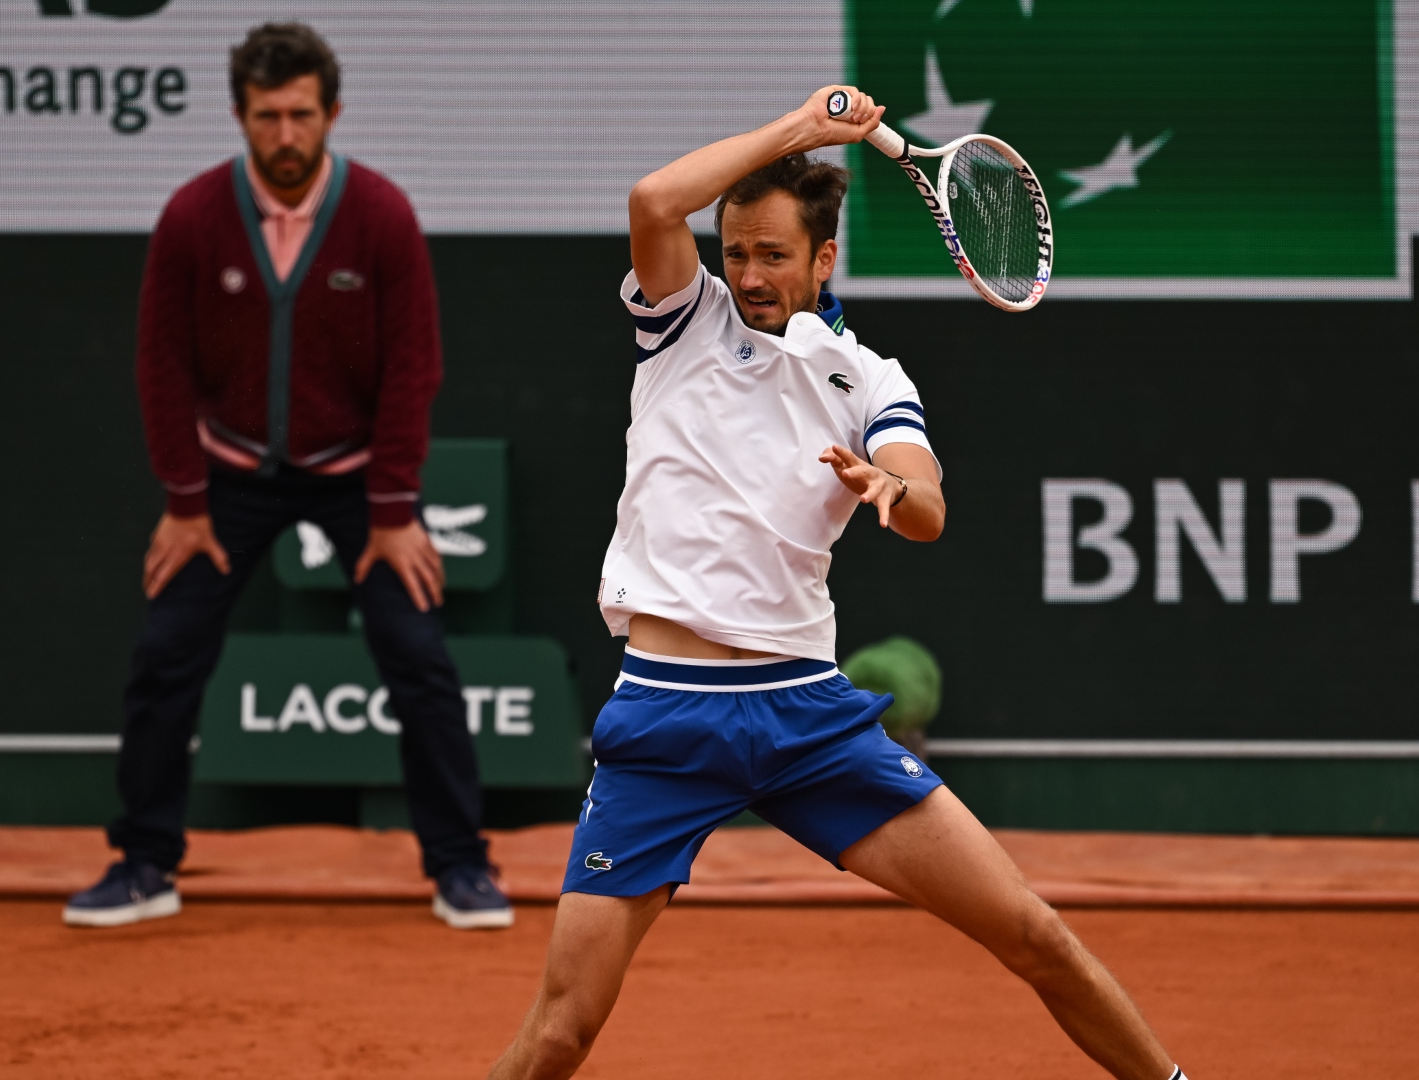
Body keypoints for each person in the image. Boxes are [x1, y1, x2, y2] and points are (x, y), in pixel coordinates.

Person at [486, 88, 1188, 1079]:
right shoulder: (683, 323)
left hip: (807, 717)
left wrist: (888, 485)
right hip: (664, 719)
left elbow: (929, 510)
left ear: (825, 258)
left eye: (775, 255)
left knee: (1031, 930)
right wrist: (795, 132)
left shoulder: (870, 379)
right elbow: (653, 201)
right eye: (737, 253)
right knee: (563, 1028)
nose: (751, 275)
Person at [63, 22, 510, 931]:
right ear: (240, 117)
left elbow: (412, 369)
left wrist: (392, 512)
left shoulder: (381, 214)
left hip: (361, 489)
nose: (285, 136)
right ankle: (144, 863)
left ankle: (461, 866)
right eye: (267, 117)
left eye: (301, 114)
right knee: (162, 656)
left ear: (331, 113)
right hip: (227, 481)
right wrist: (185, 503)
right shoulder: (192, 216)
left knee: (419, 657)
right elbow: (161, 367)